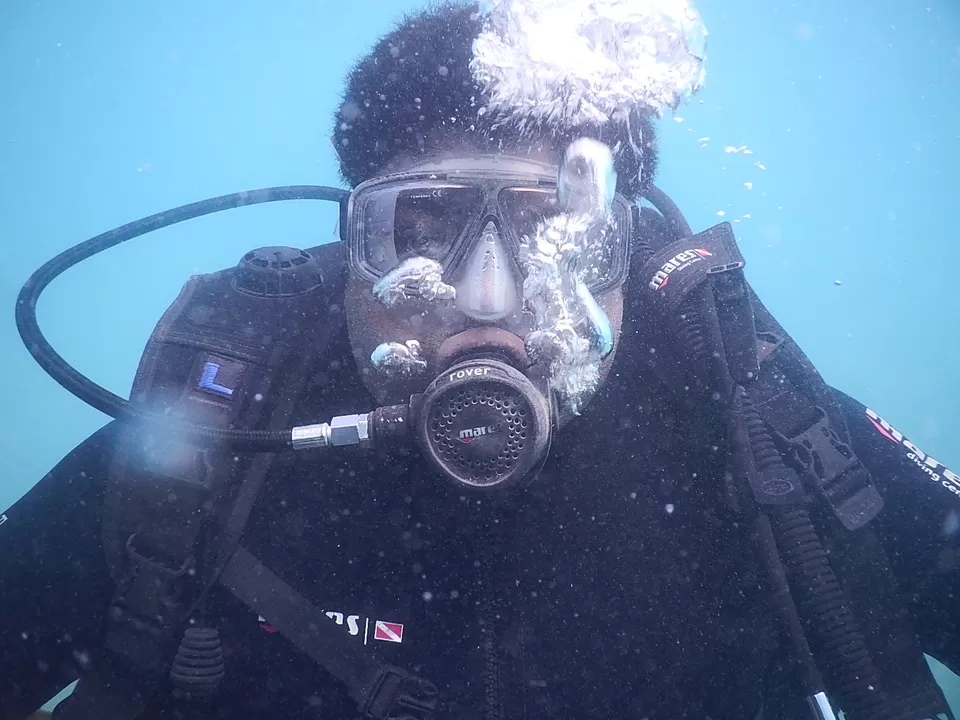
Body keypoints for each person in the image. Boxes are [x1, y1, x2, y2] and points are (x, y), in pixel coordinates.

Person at [2, 3, 958, 720]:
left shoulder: (753, 427)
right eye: (422, 226)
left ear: (626, 249)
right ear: (351, 243)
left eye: (560, 232)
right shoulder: (220, 441)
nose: (488, 298)